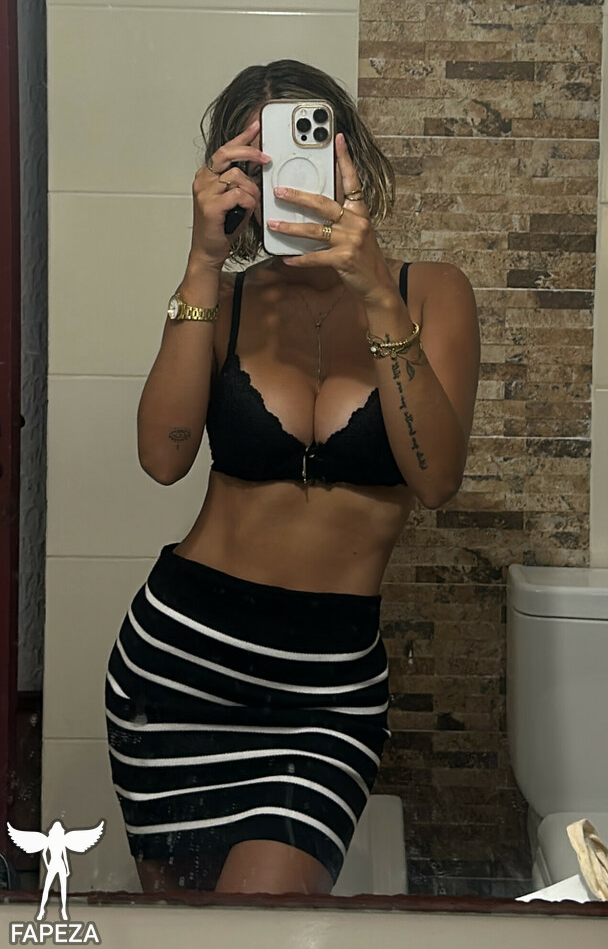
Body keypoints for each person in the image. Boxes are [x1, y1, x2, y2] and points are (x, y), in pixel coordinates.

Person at [104, 59, 480, 897]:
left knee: (259, 922)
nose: (290, 178)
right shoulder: (225, 300)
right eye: (260, 161)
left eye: (306, 150)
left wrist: (374, 289)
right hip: (178, 667)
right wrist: (202, 262)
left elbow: (435, 479)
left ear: (350, 154)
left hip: (326, 695)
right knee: (179, 932)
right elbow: (163, 457)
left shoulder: (430, 293)